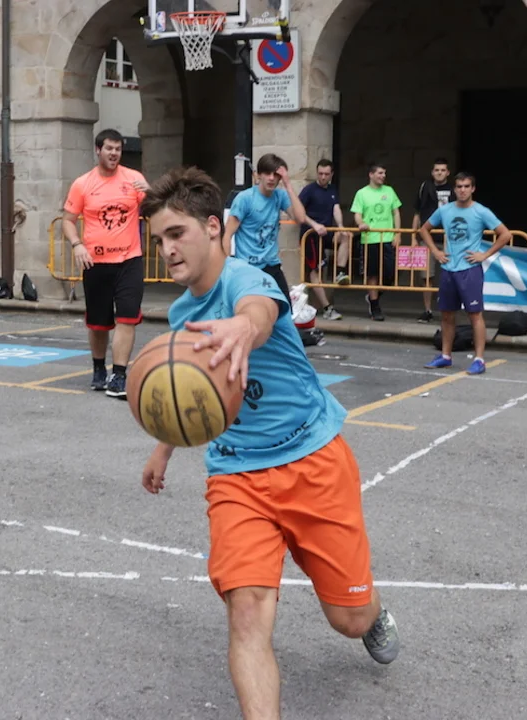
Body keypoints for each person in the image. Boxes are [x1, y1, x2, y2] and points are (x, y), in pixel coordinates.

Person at [140, 166, 400, 719]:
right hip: (237, 474)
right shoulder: (184, 314)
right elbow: (190, 394)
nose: (167, 249)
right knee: (247, 616)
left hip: (311, 458)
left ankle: (372, 611)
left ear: (213, 227)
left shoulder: (249, 280)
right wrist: (164, 445)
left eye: (177, 233)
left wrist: (243, 328)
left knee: (349, 620)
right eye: (159, 239)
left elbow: (258, 313)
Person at [62, 128, 150, 399]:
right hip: (96, 263)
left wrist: (152, 193)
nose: (114, 153)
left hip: (129, 260)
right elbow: (67, 220)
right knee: (99, 323)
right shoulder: (82, 184)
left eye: (118, 149)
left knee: (127, 317)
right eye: (109, 149)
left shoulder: (134, 179)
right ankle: (99, 368)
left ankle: (119, 375)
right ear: (98, 150)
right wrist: (77, 244)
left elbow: (155, 208)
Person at [418, 171, 512, 376]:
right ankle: (445, 356)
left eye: (466, 186)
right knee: (446, 314)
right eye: (459, 186)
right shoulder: (445, 210)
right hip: (448, 269)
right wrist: (435, 252)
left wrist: (484, 255)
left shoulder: (481, 211)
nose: (462, 190)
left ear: (473, 189)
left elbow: (505, 234)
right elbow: (423, 229)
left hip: (469, 270)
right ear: (454, 189)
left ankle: (479, 359)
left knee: (475, 315)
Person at [223, 153, 326, 300]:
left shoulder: (280, 196)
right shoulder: (245, 199)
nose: (271, 178)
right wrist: (228, 268)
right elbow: (227, 234)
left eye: (275, 175)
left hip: (271, 265)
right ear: (259, 175)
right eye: (267, 173)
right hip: (247, 266)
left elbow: (300, 218)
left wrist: (288, 185)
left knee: (285, 308)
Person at [297, 158, 351, 320]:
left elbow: (336, 209)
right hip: (310, 235)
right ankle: (327, 308)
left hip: (327, 232)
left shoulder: (332, 190)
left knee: (346, 236)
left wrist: (340, 226)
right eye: (320, 173)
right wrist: (314, 225)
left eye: (326, 174)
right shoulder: (309, 190)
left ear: (331, 174)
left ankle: (340, 272)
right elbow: (298, 212)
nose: (323, 177)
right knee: (314, 271)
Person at [350, 163, 402, 321]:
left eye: (384, 173)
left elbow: (396, 212)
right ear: (371, 175)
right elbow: (357, 213)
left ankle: (374, 296)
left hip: (387, 238)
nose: (383, 176)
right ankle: (375, 307)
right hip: (370, 239)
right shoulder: (362, 193)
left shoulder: (389, 191)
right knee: (372, 273)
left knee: (390, 274)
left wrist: (397, 234)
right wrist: (361, 223)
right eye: (380, 173)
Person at [412, 158, 455, 323]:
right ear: (432, 172)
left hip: (448, 239)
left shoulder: (454, 189)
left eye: (443, 170)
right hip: (427, 237)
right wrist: (413, 237)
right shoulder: (425, 187)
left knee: (450, 275)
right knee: (426, 276)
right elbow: (417, 213)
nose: (439, 173)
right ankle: (427, 310)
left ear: (448, 173)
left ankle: (448, 309)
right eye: (437, 170)